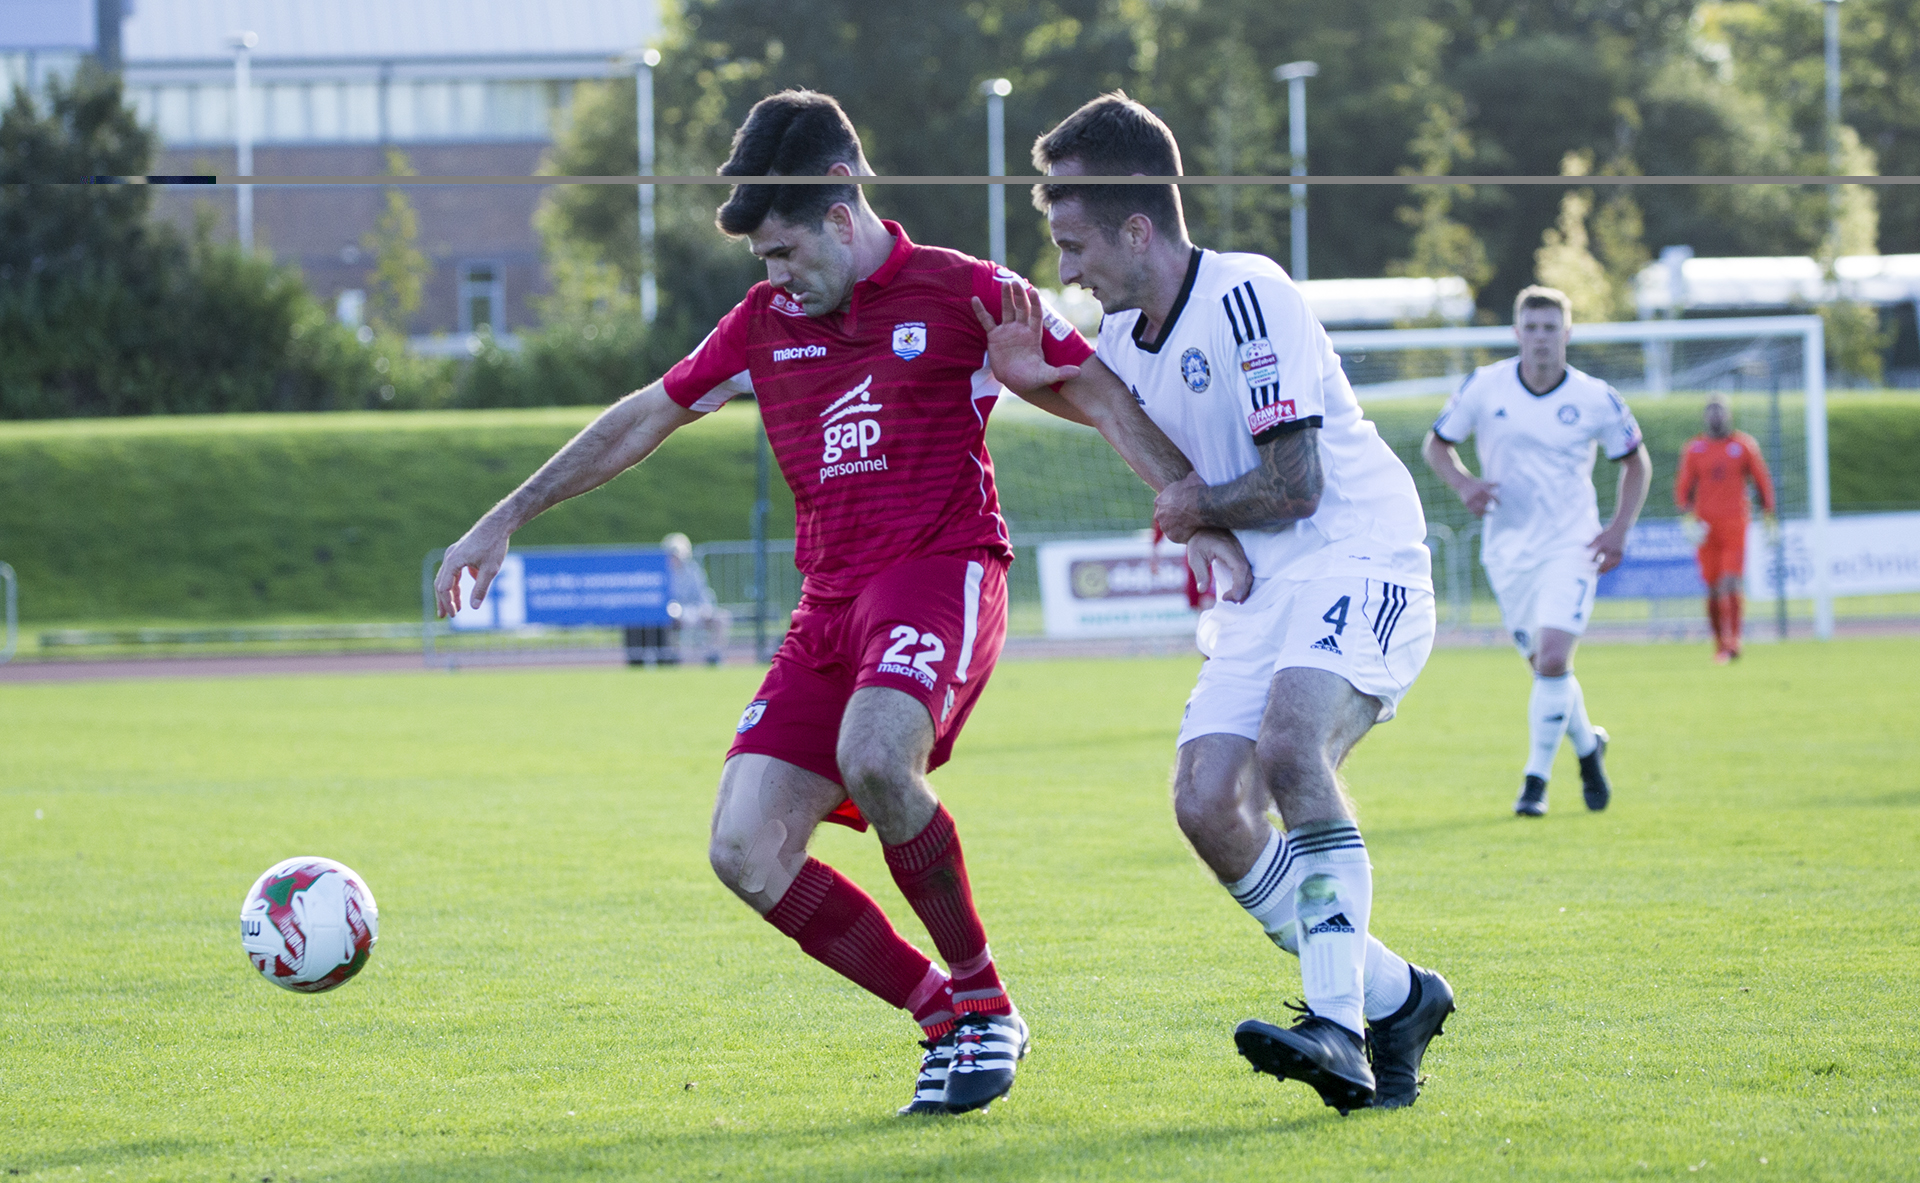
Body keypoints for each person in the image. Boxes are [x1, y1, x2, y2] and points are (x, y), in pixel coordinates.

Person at [434, 89, 1240, 1117]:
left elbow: (1100, 396)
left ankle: (987, 1003)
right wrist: (504, 516)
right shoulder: (762, 324)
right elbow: (643, 418)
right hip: (830, 602)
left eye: (783, 252)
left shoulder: (967, 293)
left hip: (941, 568)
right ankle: (943, 1013)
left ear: (842, 213)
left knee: (874, 753)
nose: (774, 277)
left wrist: (1199, 516)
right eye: (762, 262)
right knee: (743, 848)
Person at [998, 91, 1456, 1114]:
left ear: (1138, 227)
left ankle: (1337, 1024)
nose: (1065, 271)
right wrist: (1043, 388)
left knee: (1293, 753)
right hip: (1265, 583)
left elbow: (1295, 484)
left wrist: (1194, 506)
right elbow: (1144, 446)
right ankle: (1397, 997)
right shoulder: (1121, 339)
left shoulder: (1250, 294)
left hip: (1358, 552)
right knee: (1207, 802)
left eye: (1074, 244)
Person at [1423, 286, 1652, 817]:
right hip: (1507, 552)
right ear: (1516, 333)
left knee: (1553, 659)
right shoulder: (1485, 386)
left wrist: (1618, 529)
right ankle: (1590, 748)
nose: (1541, 338)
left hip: (1572, 543)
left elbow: (1635, 463)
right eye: (1532, 327)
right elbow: (1437, 444)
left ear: (1566, 333)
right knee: (1546, 669)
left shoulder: (1596, 396)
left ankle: (1534, 784)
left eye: (1552, 328)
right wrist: (1464, 486)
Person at [1675, 396, 1776, 662]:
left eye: (1720, 410)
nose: (1715, 415)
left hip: (1735, 523)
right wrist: (1686, 517)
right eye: (1711, 411)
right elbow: (1683, 488)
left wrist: (1768, 513)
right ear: (1704, 416)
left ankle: (1734, 643)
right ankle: (1720, 644)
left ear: (1729, 415)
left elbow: (1761, 481)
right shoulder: (1694, 448)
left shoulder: (1743, 445)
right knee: (1712, 587)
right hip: (1705, 527)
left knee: (1730, 581)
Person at [661, 531, 733, 665]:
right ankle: (677, 657)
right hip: (675, 614)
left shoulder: (693, 570)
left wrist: (706, 608)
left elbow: (703, 594)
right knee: (672, 622)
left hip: (695, 611)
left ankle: (714, 655)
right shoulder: (664, 573)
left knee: (722, 618)